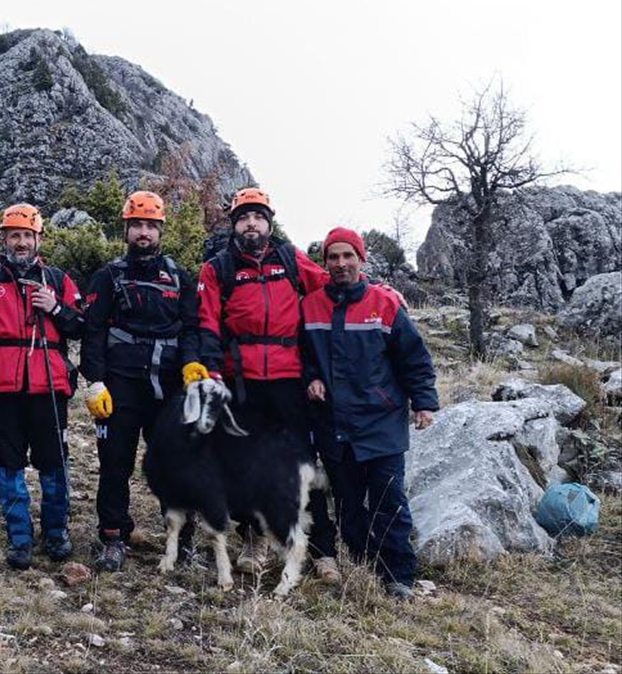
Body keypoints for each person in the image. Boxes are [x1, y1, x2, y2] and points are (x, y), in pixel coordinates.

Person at [191, 187, 341, 583]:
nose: (251, 223)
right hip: (241, 381)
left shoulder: (291, 260)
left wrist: (377, 291)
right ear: (234, 225)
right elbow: (206, 323)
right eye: (243, 217)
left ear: (269, 223)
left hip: (289, 379)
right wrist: (212, 371)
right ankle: (254, 540)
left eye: (258, 216)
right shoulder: (217, 268)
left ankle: (323, 549)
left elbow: (331, 286)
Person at [302, 227, 438, 600]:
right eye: (333, 257)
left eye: (348, 256)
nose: (341, 263)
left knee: (389, 500)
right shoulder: (311, 305)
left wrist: (423, 402)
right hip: (334, 425)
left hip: (381, 422)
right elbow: (303, 357)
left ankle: (399, 576)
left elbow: (415, 359)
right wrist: (311, 378)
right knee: (348, 504)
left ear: (361, 260)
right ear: (325, 262)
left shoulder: (385, 304)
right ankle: (364, 564)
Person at [79, 191, 200, 572]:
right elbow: (92, 331)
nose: (143, 232)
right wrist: (95, 381)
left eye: (151, 225)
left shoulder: (179, 277)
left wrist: (193, 366)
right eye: (137, 225)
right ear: (126, 229)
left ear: (161, 229)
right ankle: (114, 537)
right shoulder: (109, 275)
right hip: (121, 385)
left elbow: (193, 328)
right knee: (115, 463)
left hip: (167, 388)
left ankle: (181, 541)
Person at [0, 203, 84, 570]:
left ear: (38, 239)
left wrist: (56, 308)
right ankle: (20, 537)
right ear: (4, 239)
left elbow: (81, 325)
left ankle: (56, 531)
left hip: (49, 387)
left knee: (54, 463)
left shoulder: (59, 281)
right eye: (14, 235)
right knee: (9, 464)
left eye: (27, 235)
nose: (21, 242)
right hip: (3, 390)